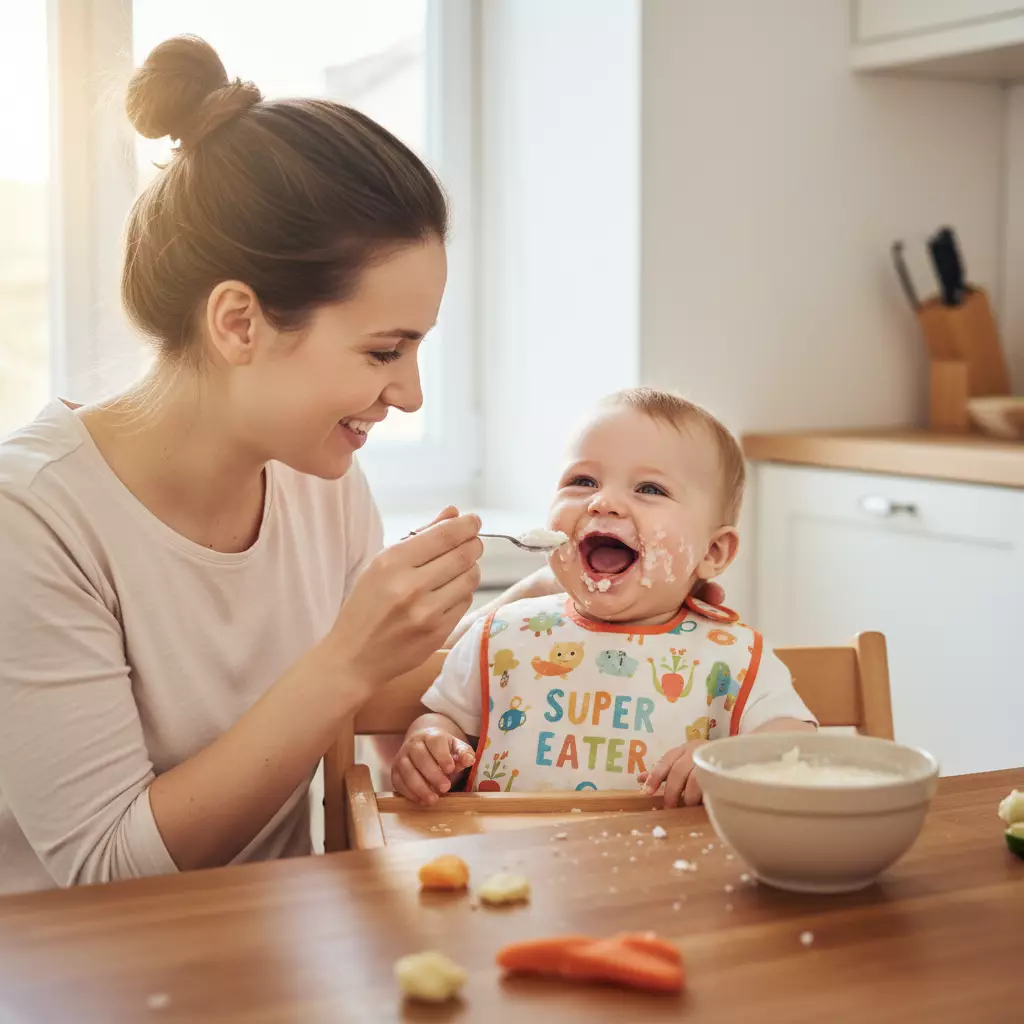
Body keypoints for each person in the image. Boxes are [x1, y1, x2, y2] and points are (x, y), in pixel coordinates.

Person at [0, 35, 564, 894]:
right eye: (383, 351)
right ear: (238, 323)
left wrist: (539, 621)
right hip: (86, 971)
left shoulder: (318, 477)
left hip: (273, 946)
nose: (409, 395)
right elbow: (107, 869)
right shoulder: (34, 517)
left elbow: (360, 699)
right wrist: (347, 655)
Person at [391, 388, 817, 808]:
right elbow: (443, 717)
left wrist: (729, 761)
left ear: (711, 552)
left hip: (671, 868)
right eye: (583, 481)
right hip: (515, 862)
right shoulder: (502, 634)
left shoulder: (734, 656)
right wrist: (429, 742)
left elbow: (795, 739)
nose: (604, 501)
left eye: (650, 489)